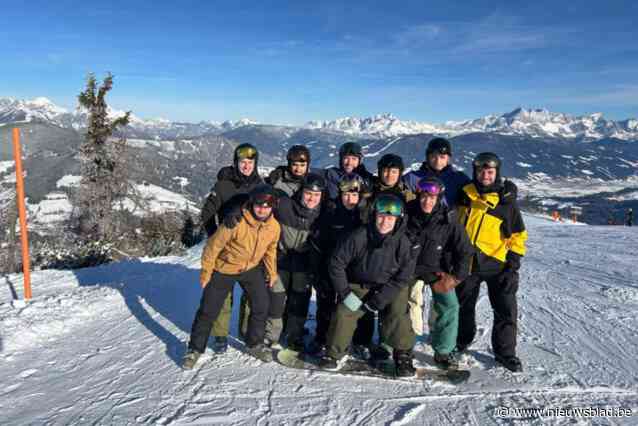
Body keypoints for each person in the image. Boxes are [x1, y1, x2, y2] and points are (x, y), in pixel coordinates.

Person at [182, 185, 281, 369]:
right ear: (252, 203)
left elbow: (270, 250)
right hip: (225, 268)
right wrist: (206, 272)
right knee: (208, 310)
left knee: (261, 304)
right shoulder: (235, 222)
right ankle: (194, 349)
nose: (262, 209)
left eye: (267, 206)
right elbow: (213, 247)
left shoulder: (273, 227)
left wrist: (272, 272)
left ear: (273, 207)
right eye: (259, 205)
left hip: (250, 269)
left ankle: (254, 343)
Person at [320, 193, 416, 376]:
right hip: (358, 285)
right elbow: (336, 263)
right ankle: (334, 353)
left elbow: (403, 276)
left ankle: (403, 355)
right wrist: (345, 292)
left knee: (397, 312)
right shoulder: (358, 236)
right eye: (381, 216)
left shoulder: (403, 243)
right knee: (345, 311)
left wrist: (381, 299)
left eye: (390, 218)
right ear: (374, 216)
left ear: (397, 220)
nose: (385, 222)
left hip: (390, 287)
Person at [455, 152, 528, 372]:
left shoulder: (506, 202)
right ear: (474, 171)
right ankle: (461, 340)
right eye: (481, 171)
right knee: (463, 306)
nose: (485, 175)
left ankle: (505, 353)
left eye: (490, 172)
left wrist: (512, 266)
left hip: (497, 263)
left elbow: (518, 235)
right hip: (469, 261)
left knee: (505, 309)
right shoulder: (465, 196)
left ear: (497, 173)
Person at [402, 177, 474, 370]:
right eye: (424, 197)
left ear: (438, 198)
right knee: (404, 303)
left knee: (449, 306)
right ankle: (403, 345)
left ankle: (443, 351)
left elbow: (465, 250)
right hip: (410, 269)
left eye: (432, 198)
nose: (427, 201)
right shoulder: (407, 213)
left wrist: (456, 277)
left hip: (437, 270)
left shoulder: (448, 219)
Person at [199, 143, 264, 353]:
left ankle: (246, 331)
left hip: (251, 251)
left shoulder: (260, 187)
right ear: (236, 163)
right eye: (242, 162)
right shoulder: (223, 186)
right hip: (225, 250)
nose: (246, 166)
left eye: (250, 162)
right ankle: (220, 335)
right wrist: (215, 238)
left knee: (250, 294)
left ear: (255, 164)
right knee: (224, 294)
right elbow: (207, 214)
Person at [309, 174, 365, 354]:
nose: (350, 199)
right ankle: (321, 337)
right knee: (326, 305)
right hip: (329, 269)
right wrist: (317, 274)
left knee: (352, 307)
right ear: (340, 195)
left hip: (353, 273)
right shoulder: (330, 214)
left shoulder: (363, 217)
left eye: (354, 195)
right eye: (346, 195)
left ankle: (355, 339)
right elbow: (318, 246)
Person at [403, 137, 470, 208]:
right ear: (428, 157)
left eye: (442, 157)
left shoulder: (459, 179)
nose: (438, 161)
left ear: (448, 159)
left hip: (451, 217)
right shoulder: (412, 178)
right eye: (433, 157)